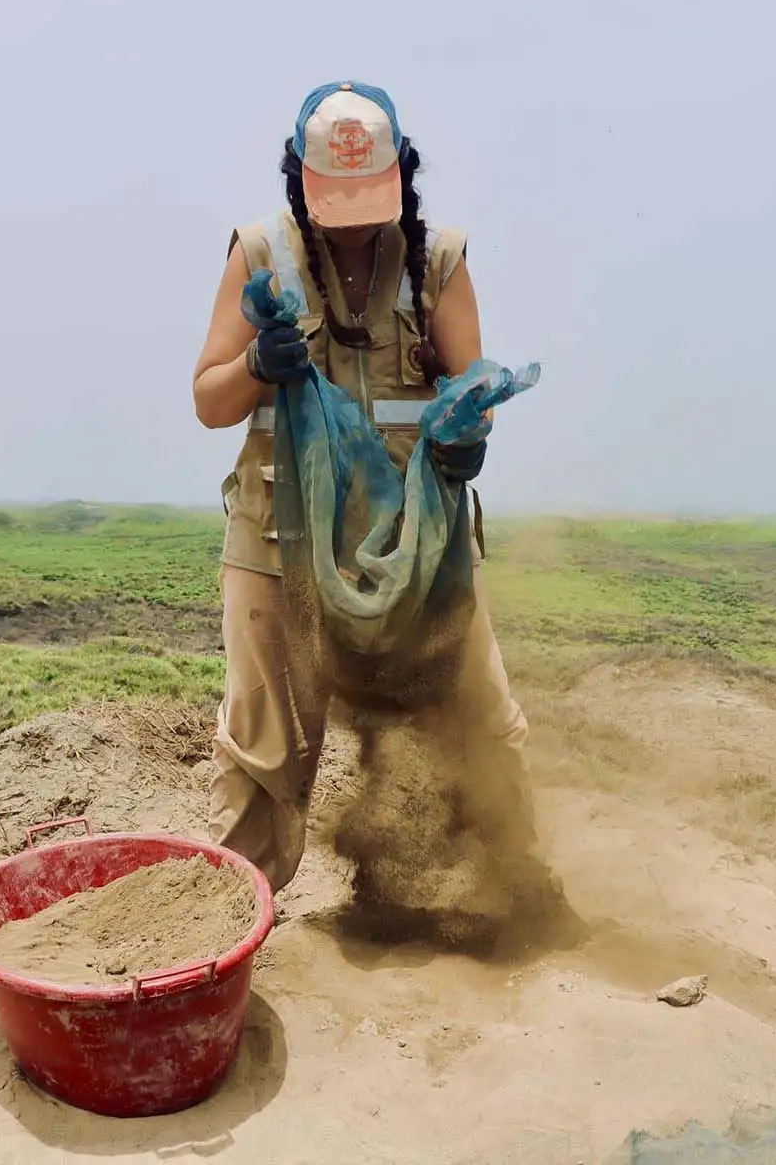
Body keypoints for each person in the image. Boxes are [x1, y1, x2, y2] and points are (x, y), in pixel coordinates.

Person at [191, 80, 530, 893]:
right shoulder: (259, 252)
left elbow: (472, 391)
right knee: (264, 759)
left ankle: (513, 906)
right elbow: (209, 402)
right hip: (281, 552)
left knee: (483, 729)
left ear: (402, 178)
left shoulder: (438, 262)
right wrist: (255, 364)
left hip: (421, 553)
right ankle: (234, 931)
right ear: (299, 183)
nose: (351, 224)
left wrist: (466, 435)